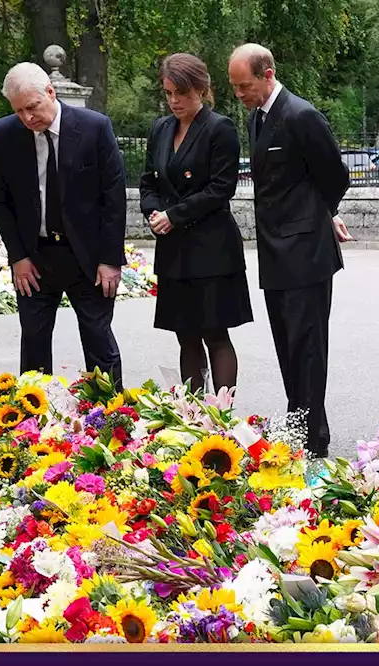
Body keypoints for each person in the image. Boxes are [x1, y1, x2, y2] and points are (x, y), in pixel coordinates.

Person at [227, 44, 352, 458]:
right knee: (287, 344)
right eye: (234, 86)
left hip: (306, 252)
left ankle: (311, 438)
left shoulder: (301, 115)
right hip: (274, 253)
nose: (239, 94)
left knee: (309, 347)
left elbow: (335, 175)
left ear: (268, 74)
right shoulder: (256, 117)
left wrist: (320, 216)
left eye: (244, 85)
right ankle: (301, 421)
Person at [0, 62, 126, 387]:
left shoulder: (94, 128)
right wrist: (18, 257)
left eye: (32, 107)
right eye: (19, 111)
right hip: (35, 259)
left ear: (51, 92)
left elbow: (113, 199)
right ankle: (35, 420)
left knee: (98, 339)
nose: (27, 118)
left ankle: (111, 414)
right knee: (33, 341)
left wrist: (109, 260)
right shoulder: (5, 134)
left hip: (88, 259)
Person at [141, 53, 253, 394]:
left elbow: (221, 188)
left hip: (211, 249)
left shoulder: (220, 128)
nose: (175, 101)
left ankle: (222, 418)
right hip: (174, 250)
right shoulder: (161, 129)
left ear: (202, 90)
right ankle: (192, 415)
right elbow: (149, 182)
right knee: (185, 334)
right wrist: (154, 212)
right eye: (169, 93)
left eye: (183, 93)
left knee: (215, 334)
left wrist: (174, 216)